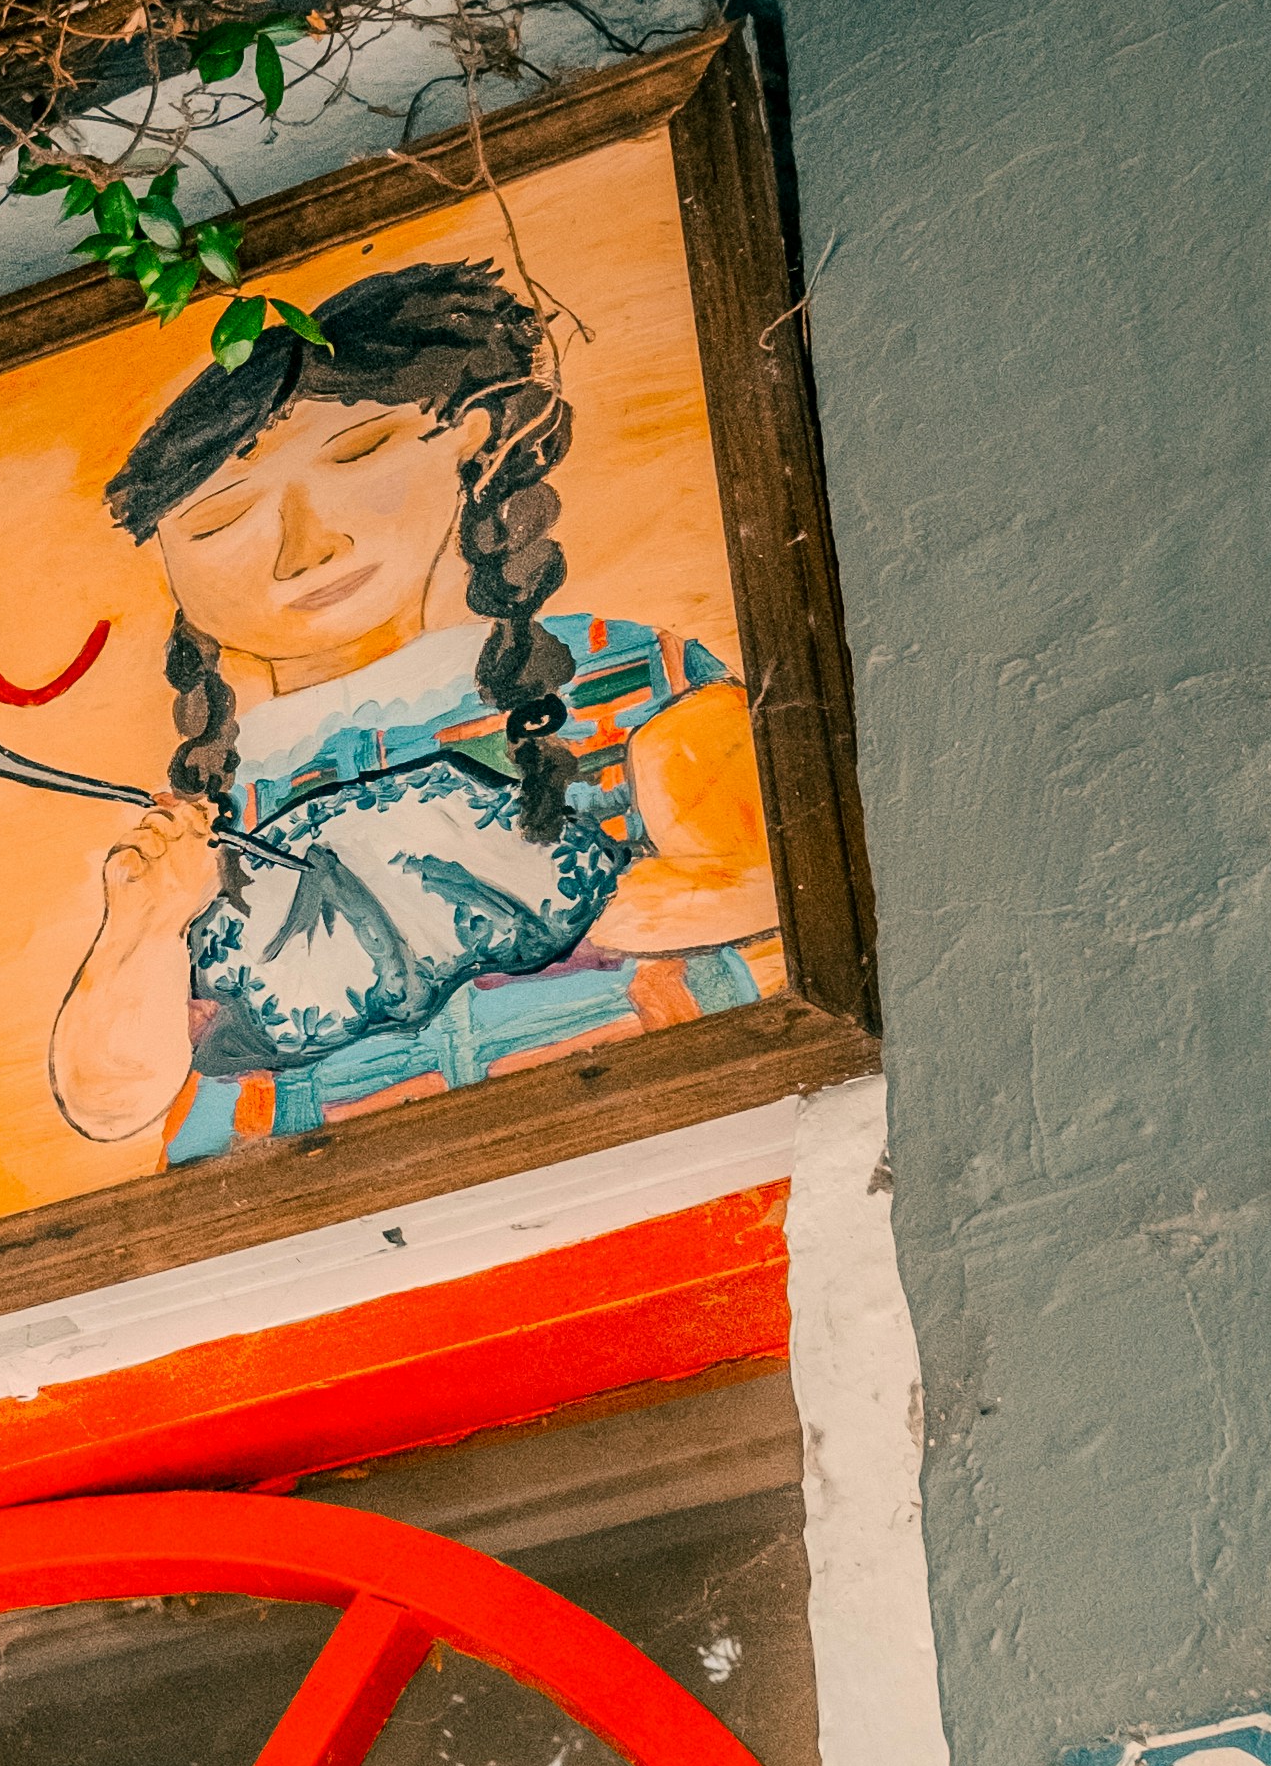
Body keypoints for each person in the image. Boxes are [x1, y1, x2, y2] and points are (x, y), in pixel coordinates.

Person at [46, 256, 777, 1166]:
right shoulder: (207, 804)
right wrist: (143, 923)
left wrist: (503, 904)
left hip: (641, 1142)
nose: (305, 548)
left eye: (357, 456)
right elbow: (113, 1099)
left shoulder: (616, 669)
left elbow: (771, 874)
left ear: (467, 440)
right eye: (218, 521)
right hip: (295, 1209)